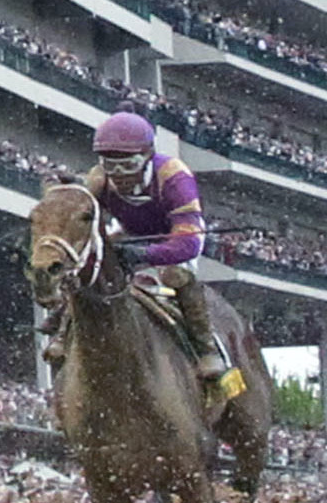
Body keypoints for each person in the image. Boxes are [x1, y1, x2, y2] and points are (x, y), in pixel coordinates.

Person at [78, 111, 243, 403]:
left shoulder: (174, 177)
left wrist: (147, 254)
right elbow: (86, 223)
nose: (119, 175)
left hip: (177, 234)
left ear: (148, 155)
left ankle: (206, 347)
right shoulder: (99, 180)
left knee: (175, 274)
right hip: (130, 232)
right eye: (109, 164)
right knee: (88, 266)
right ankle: (61, 324)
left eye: (127, 164)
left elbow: (189, 242)